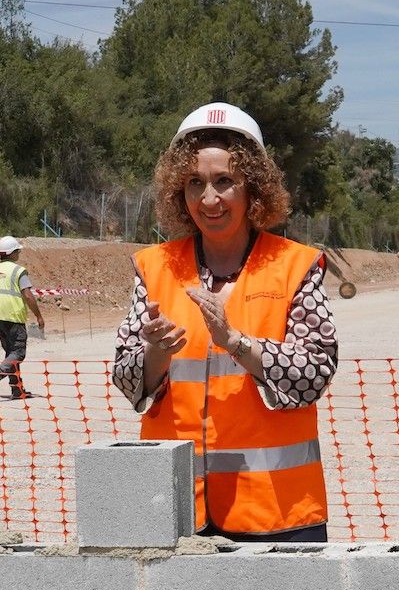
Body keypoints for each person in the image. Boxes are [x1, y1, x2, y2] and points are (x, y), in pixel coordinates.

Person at [112, 102, 338, 542]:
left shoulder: (296, 265)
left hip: (275, 512)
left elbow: (314, 373)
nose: (209, 199)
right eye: (194, 183)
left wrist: (235, 341)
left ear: (253, 188)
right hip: (176, 508)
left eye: (224, 182)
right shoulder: (154, 267)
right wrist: (156, 351)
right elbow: (126, 377)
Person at [0, 235, 46, 400]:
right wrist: (38, 316)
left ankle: (17, 390)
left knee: (11, 354)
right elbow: (28, 295)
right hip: (13, 317)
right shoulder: (18, 271)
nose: (19, 253)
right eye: (17, 250)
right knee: (18, 353)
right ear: (11, 253)